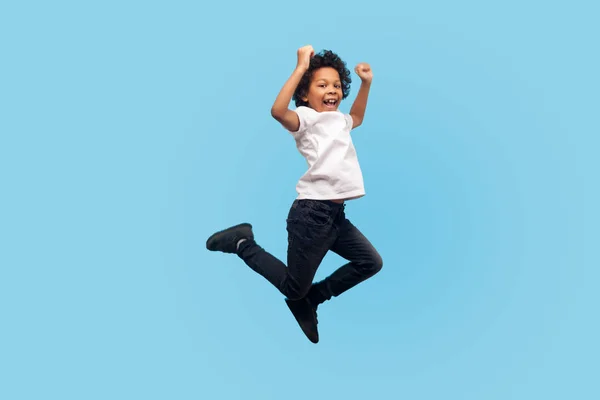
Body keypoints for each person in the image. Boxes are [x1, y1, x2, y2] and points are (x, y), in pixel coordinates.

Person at [206, 45, 383, 343]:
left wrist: (366, 83)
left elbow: (358, 117)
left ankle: (313, 298)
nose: (332, 91)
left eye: (337, 85)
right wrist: (301, 67)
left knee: (370, 262)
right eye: (322, 85)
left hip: (335, 217)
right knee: (292, 289)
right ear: (305, 94)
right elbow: (277, 111)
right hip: (311, 216)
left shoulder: (339, 120)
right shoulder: (306, 120)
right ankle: (241, 242)